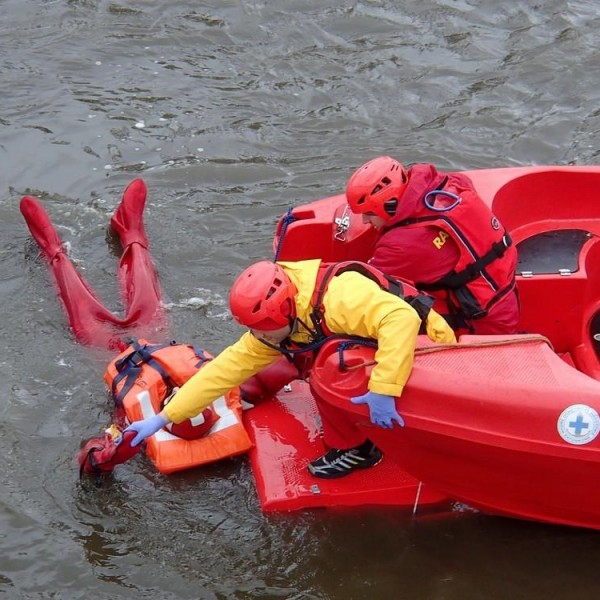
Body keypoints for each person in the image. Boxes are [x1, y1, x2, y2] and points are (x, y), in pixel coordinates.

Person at [125, 259, 457, 479]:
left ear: (283, 312)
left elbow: (402, 319)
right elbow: (223, 371)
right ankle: (362, 426)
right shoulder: (282, 316)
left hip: (429, 346)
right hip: (388, 345)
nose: (258, 339)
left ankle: (360, 451)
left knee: (329, 371)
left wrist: (385, 389)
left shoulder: (338, 300)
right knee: (324, 364)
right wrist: (164, 418)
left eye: (263, 331)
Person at [345, 156, 520, 335]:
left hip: (483, 322)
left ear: (389, 205)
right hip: (504, 292)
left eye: (368, 213)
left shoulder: (402, 246)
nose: (365, 221)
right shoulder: (451, 183)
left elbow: (364, 287)